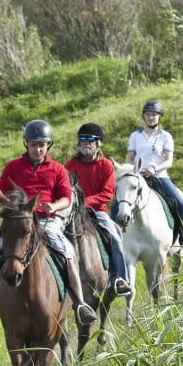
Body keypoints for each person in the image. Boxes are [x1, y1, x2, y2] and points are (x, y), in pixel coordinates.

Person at [0, 119, 98, 325]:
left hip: (46, 221)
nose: (38, 149)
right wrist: (11, 206)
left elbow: (66, 198)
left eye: (42, 145)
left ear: (48, 145)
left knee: (67, 253)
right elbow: (1, 192)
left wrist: (54, 206)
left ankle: (80, 304)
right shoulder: (13, 166)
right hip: (19, 221)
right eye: (34, 145)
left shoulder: (58, 169)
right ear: (26, 144)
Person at [63, 123, 132, 297]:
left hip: (97, 211)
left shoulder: (106, 165)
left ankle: (119, 279)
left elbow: (108, 194)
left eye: (90, 140)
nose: (86, 143)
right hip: (71, 211)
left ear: (98, 143)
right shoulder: (70, 165)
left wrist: (84, 202)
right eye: (82, 140)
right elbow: (62, 188)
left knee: (114, 236)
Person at [125, 100, 183, 246]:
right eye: (148, 114)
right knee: (119, 203)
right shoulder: (135, 136)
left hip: (159, 176)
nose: (151, 117)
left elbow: (169, 161)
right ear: (144, 116)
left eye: (154, 115)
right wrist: (133, 170)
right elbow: (129, 157)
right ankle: (118, 238)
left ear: (159, 116)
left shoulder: (165, 136)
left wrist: (154, 168)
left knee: (180, 203)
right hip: (139, 176)